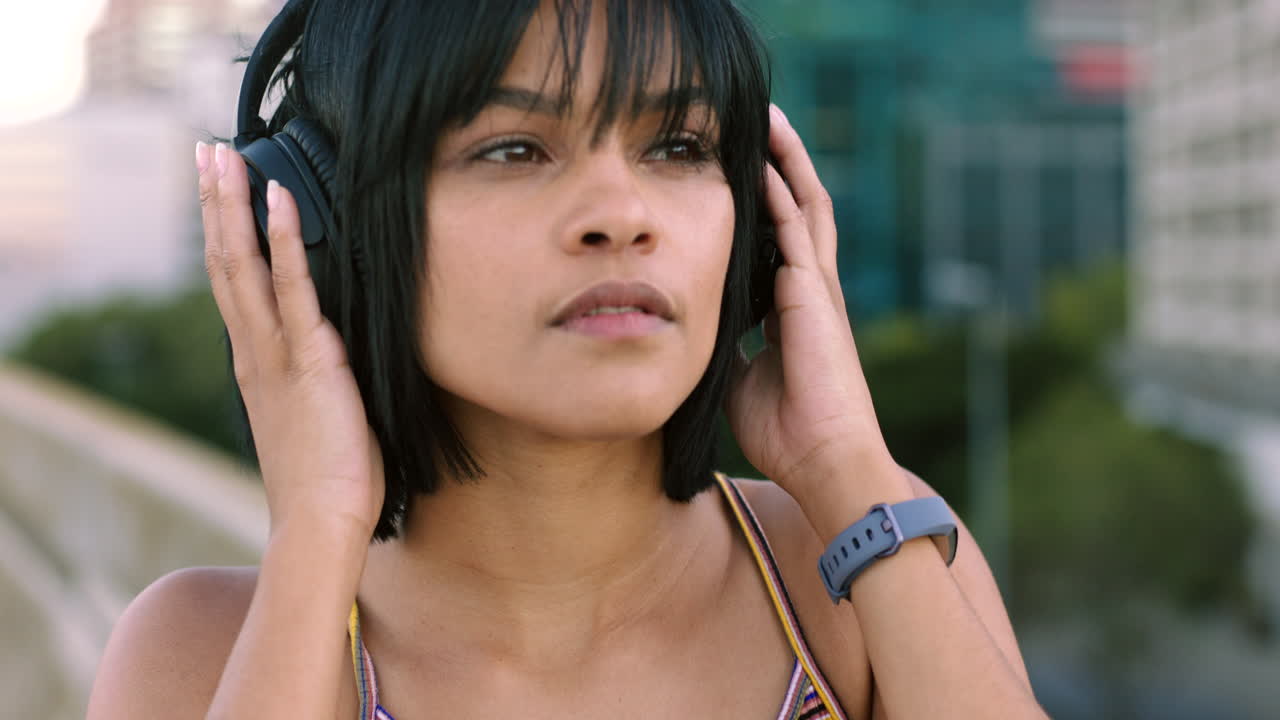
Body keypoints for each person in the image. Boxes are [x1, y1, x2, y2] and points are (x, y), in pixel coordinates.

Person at [87, 0, 1046, 717]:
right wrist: (316, 530)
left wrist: (842, 461)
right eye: (513, 149)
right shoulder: (201, 656)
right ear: (330, 232)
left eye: (677, 145)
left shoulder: (863, 569)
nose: (622, 216)